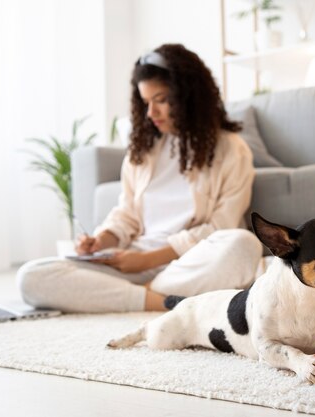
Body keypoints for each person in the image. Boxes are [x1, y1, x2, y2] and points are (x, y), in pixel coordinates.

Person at [17, 44, 262, 313]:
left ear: (188, 97)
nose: (150, 113)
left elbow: (220, 226)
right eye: (145, 102)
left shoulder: (231, 149)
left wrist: (147, 261)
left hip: (187, 264)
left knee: (243, 243)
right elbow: (127, 214)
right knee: (32, 276)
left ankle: (134, 297)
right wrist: (102, 240)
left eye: (160, 100)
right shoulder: (144, 150)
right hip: (131, 262)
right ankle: (161, 301)